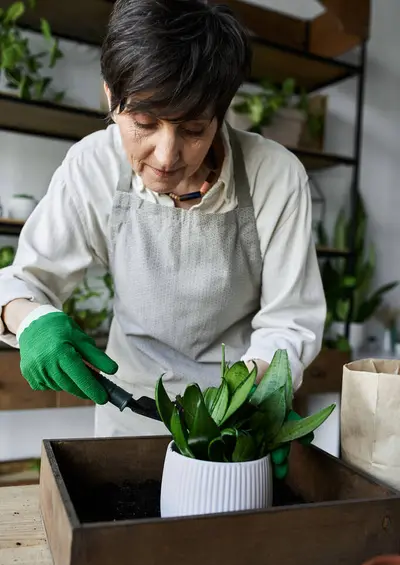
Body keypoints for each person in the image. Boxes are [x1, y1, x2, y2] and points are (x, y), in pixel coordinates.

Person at [0, 0, 326, 453]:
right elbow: (25, 282)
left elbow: (290, 321)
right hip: (129, 406)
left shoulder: (276, 176)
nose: (166, 155)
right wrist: (32, 320)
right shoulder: (93, 165)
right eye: (144, 123)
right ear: (112, 98)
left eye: (193, 129)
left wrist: (259, 401)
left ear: (221, 112)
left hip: (234, 415)